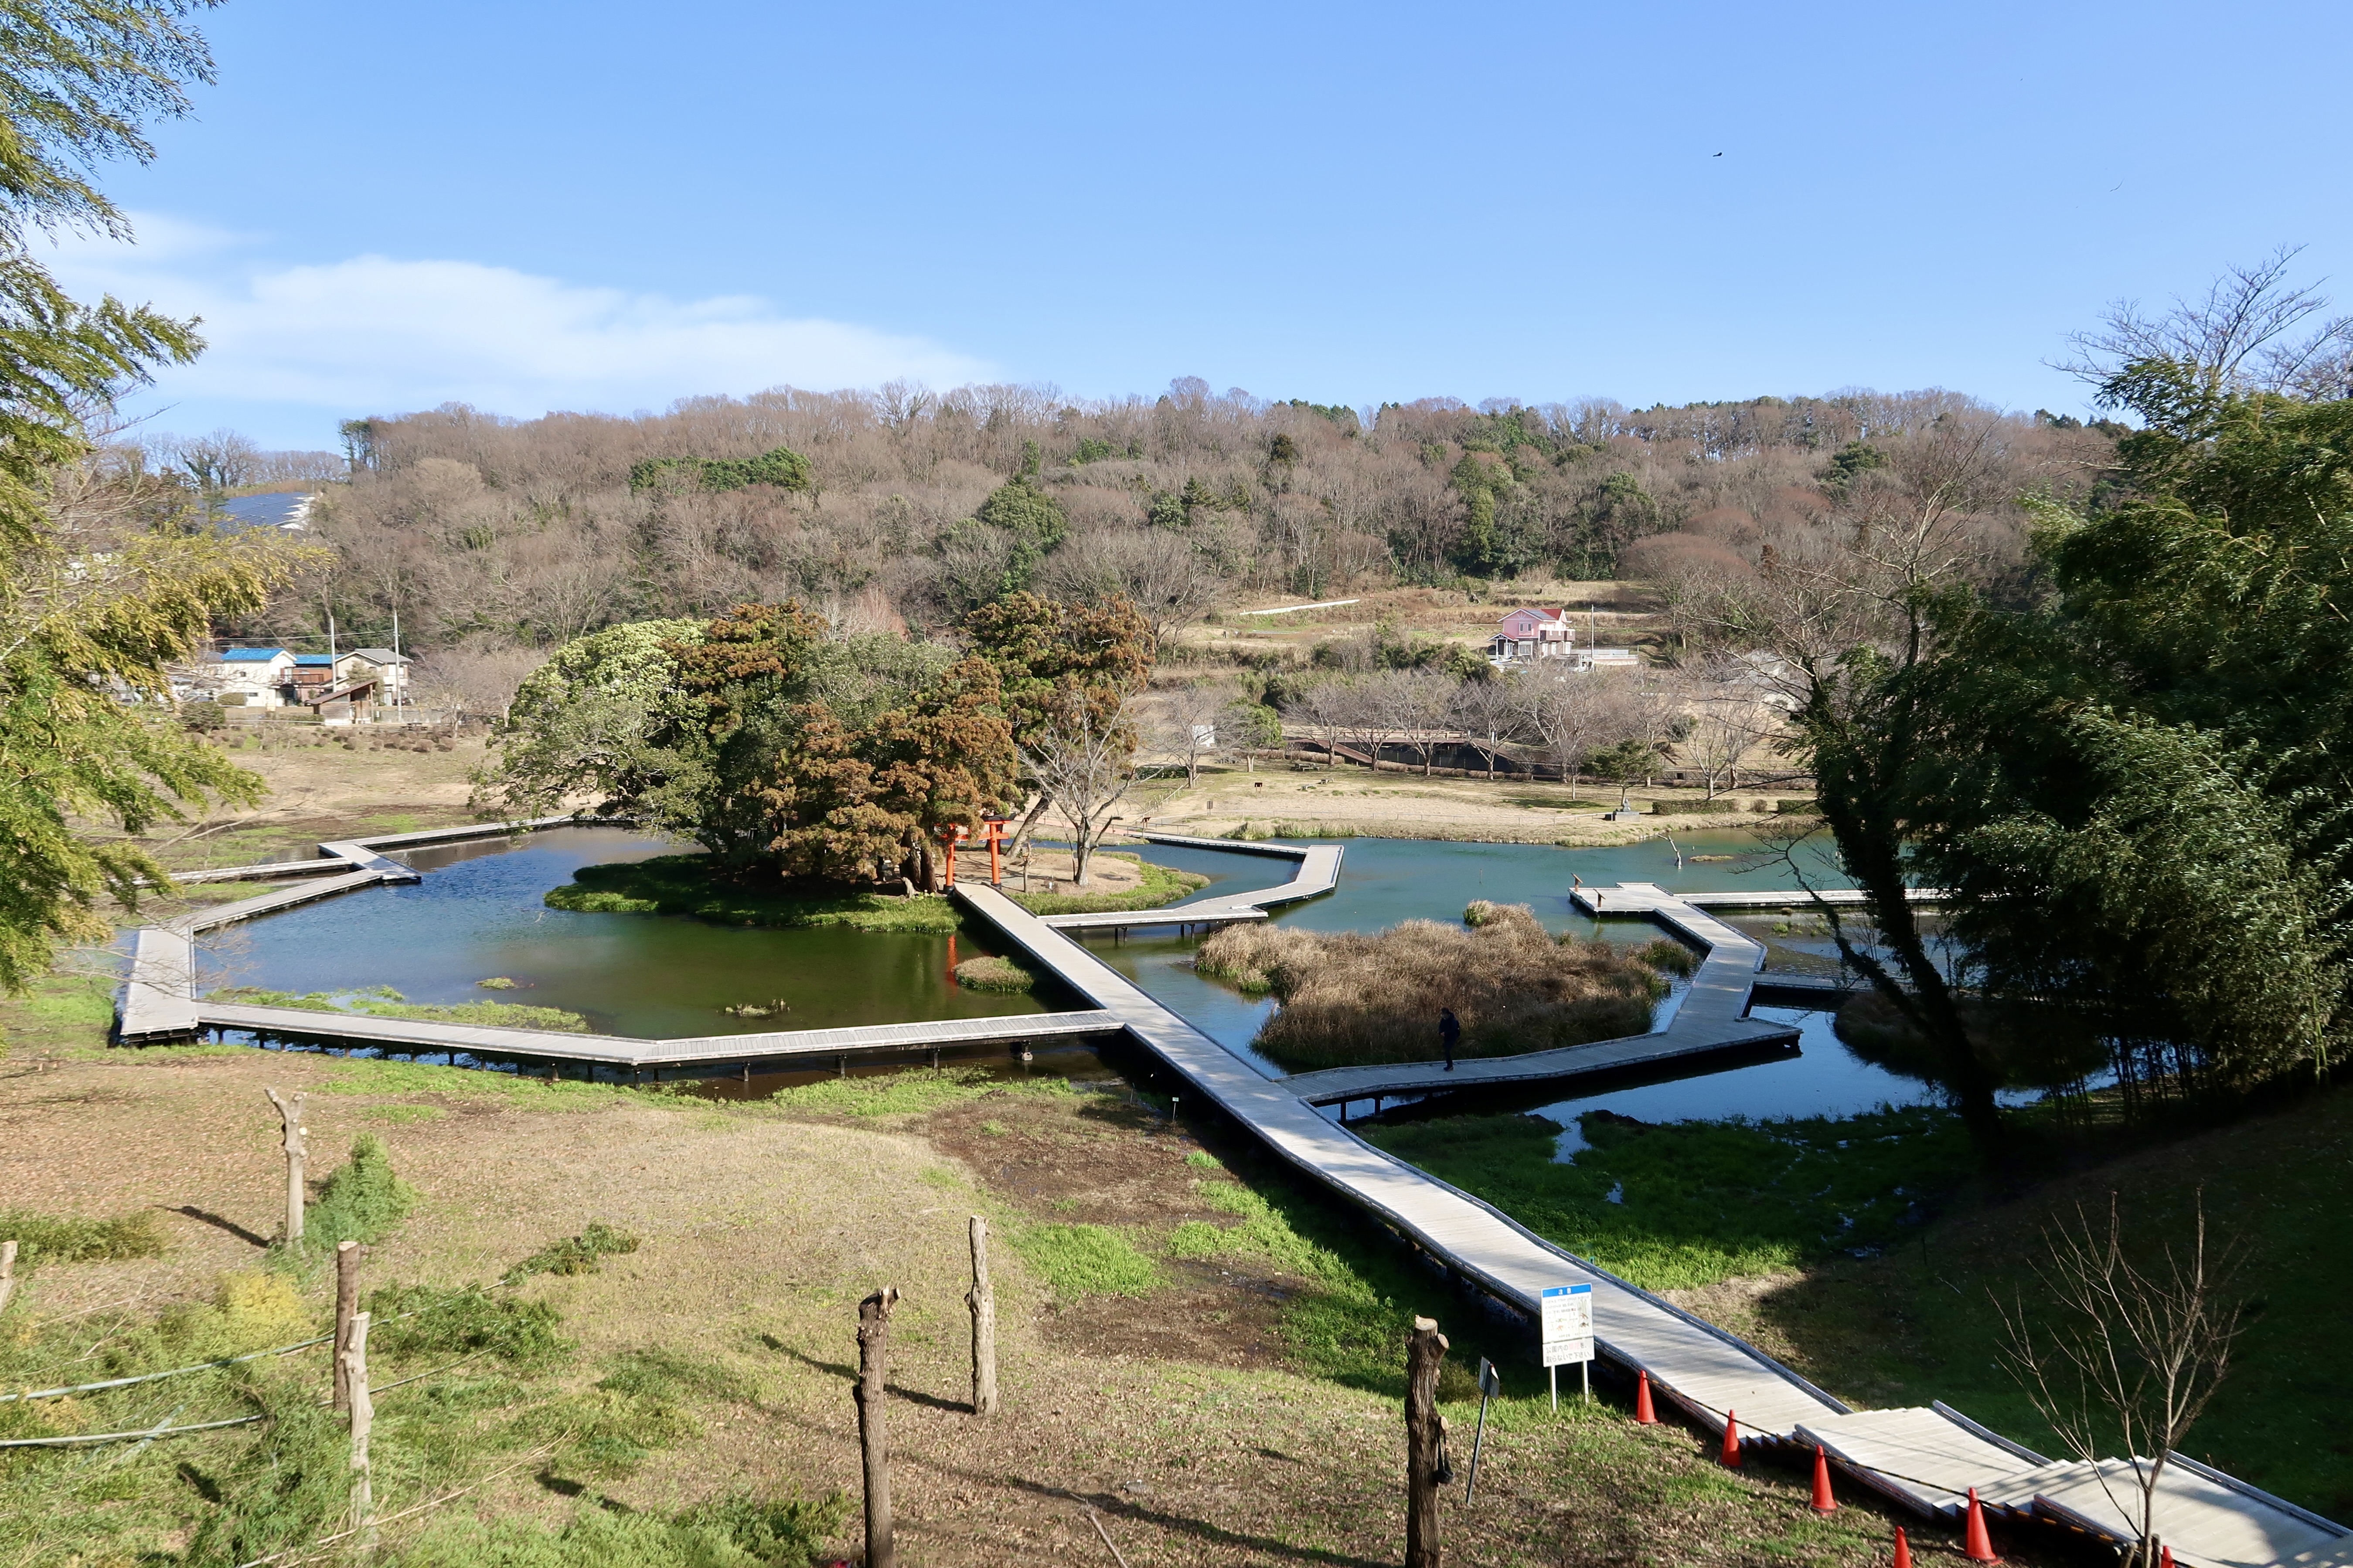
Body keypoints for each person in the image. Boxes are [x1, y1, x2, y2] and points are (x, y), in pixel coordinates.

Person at [1439, 1007, 1461, 1071]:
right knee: (1446, 1050)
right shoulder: (1443, 1020)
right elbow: (1441, 1027)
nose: (1443, 1015)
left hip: (1452, 1037)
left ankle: (1450, 1065)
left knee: (1447, 1051)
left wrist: (1446, 1033)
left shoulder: (1453, 1020)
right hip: (1446, 1037)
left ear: (1447, 1014)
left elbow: (1454, 1029)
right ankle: (1449, 1064)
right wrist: (1441, 1032)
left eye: (1444, 1014)